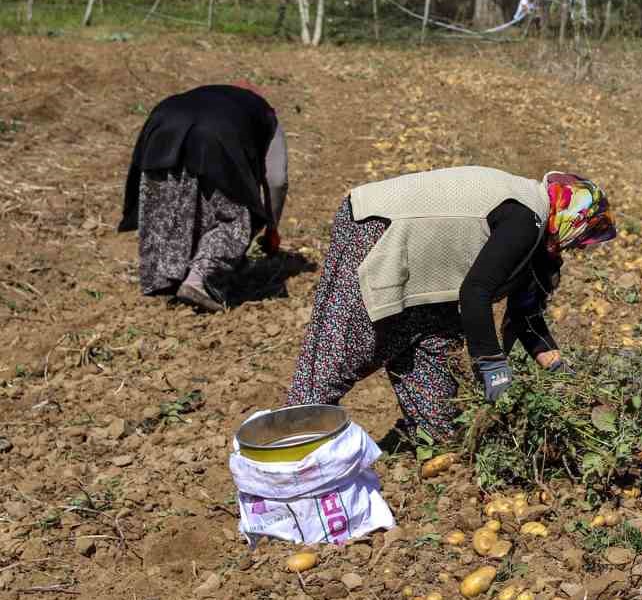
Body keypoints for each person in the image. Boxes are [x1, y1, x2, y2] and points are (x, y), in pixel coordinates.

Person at [285, 166, 616, 442]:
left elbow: (525, 314)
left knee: (438, 377)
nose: (583, 247)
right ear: (575, 216)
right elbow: (475, 292)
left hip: (431, 268)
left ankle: (431, 434)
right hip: (377, 227)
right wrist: (493, 367)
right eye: (587, 234)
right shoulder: (526, 217)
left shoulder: (541, 238)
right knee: (345, 347)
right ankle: (290, 446)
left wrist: (561, 371)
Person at [119, 83, 287, 313]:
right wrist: (272, 227)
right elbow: (277, 180)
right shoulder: (265, 113)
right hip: (215, 136)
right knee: (233, 218)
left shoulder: (204, 95)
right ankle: (199, 281)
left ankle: (166, 279)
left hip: (161, 122)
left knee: (166, 204)